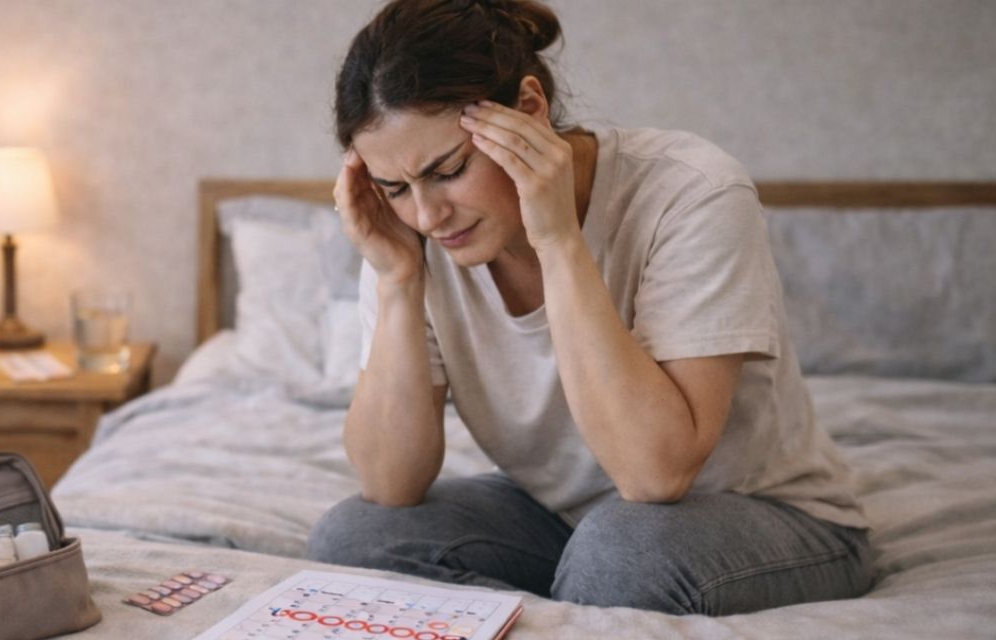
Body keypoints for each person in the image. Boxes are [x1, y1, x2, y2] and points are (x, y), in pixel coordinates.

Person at [306, 0, 873, 615]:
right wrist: (395, 280)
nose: (427, 214)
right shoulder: (411, 237)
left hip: (764, 515)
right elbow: (390, 483)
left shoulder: (693, 193)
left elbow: (655, 475)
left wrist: (557, 242)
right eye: (395, 188)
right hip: (566, 522)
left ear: (527, 110)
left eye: (448, 170)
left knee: (620, 552)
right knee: (355, 537)